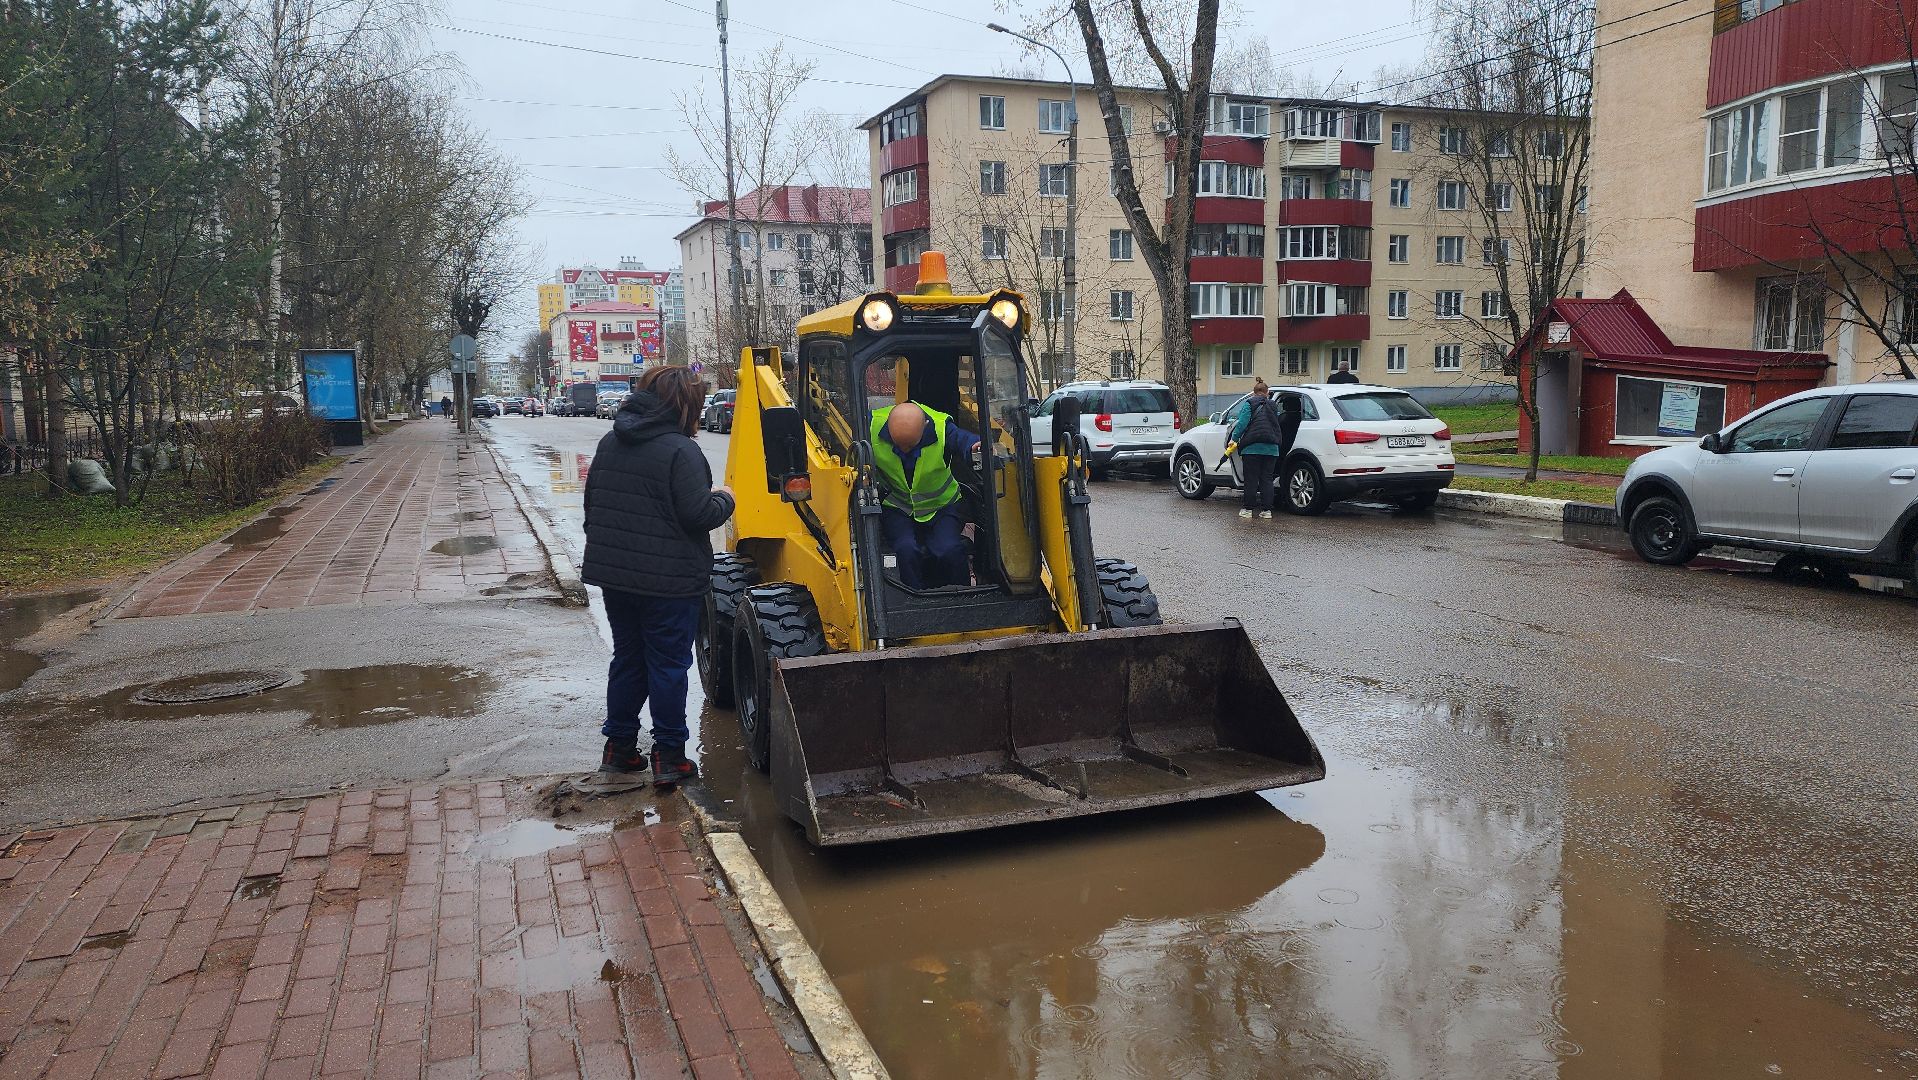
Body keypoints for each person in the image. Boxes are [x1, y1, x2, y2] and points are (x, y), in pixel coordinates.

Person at [581, 365, 735, 788]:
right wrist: (724, 499)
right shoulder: (680, 451)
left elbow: (592, 505)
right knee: (668, 666)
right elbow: (697, 514)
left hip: (616, 578)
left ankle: (619, 750)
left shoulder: (611, 441)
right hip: (669, 583)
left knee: (629, 659)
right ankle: (669, 757)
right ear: (683, 404)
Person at [871, 400, 981, 589]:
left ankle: (963, 595)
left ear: (925, 427)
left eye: (910, 445)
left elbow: (962, 440)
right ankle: (913, 597)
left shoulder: (941, 428)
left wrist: (975, 447)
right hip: (898, 507)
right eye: (900, 445)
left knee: (948, 549)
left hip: (942, 507)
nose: (905, 450)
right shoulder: (871, 425)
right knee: (905, 550)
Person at [1228, 380, 1285, 519]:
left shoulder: (1249, 403)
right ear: (1267, 393)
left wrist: (1234, 439)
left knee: (1251, 479)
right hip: (1272, 448)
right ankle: (1267, 511)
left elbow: (1242, 423)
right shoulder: (1273, 405)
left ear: (1254, 393)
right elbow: (1275, 423)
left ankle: (1248, 509)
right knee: (1267, 479)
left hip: (1252, 448)